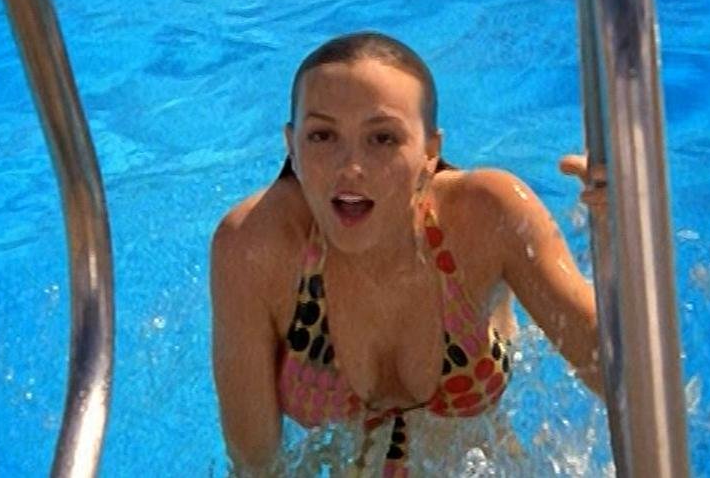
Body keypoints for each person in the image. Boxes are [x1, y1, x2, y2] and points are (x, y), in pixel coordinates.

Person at [211, 31, 607, 476]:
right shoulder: (253, 246)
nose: (350, 167)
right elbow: (256, 466)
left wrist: (616, 236)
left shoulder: (485, 217)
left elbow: (618, 375)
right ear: (292, 147)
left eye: (382, 138)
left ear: (430, 153)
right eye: (322, 136)